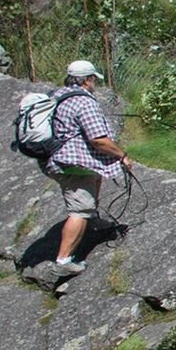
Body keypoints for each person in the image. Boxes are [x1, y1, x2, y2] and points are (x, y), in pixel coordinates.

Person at [45, 60, 132, 275]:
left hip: (55, 159)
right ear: (86, 80)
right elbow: (98, 140)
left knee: (96, 175)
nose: (94, 84)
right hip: (71, 165)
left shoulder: (57, 96)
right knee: (79, 208)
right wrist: (122, 155)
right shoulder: (84, 102)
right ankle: (64, 261)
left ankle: (93, 220)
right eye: (93, 79)